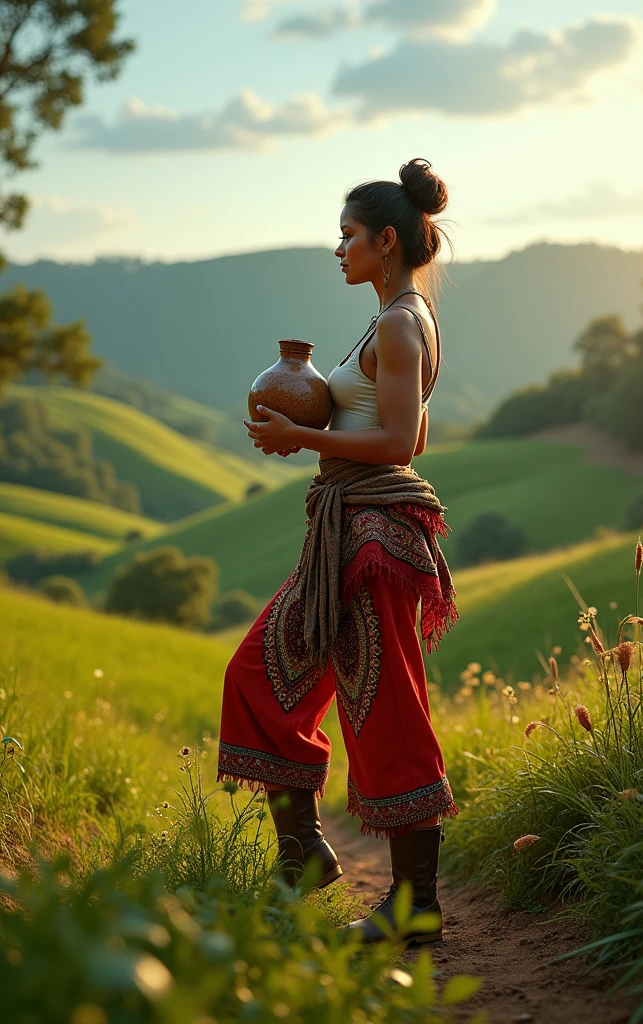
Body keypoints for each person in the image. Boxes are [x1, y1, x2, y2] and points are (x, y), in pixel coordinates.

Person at [217, 157, 459, 945]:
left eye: (348, 234)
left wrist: (300, 435)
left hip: (373, 542)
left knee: (386, 714)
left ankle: (414, 908)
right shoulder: (405, 317)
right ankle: (303, 853)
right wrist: (323, 437)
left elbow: (395, 443)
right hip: (346, 535)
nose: (338, 247)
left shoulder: (397, 321)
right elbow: (412, 432)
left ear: (386, 240)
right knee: (259, 672)